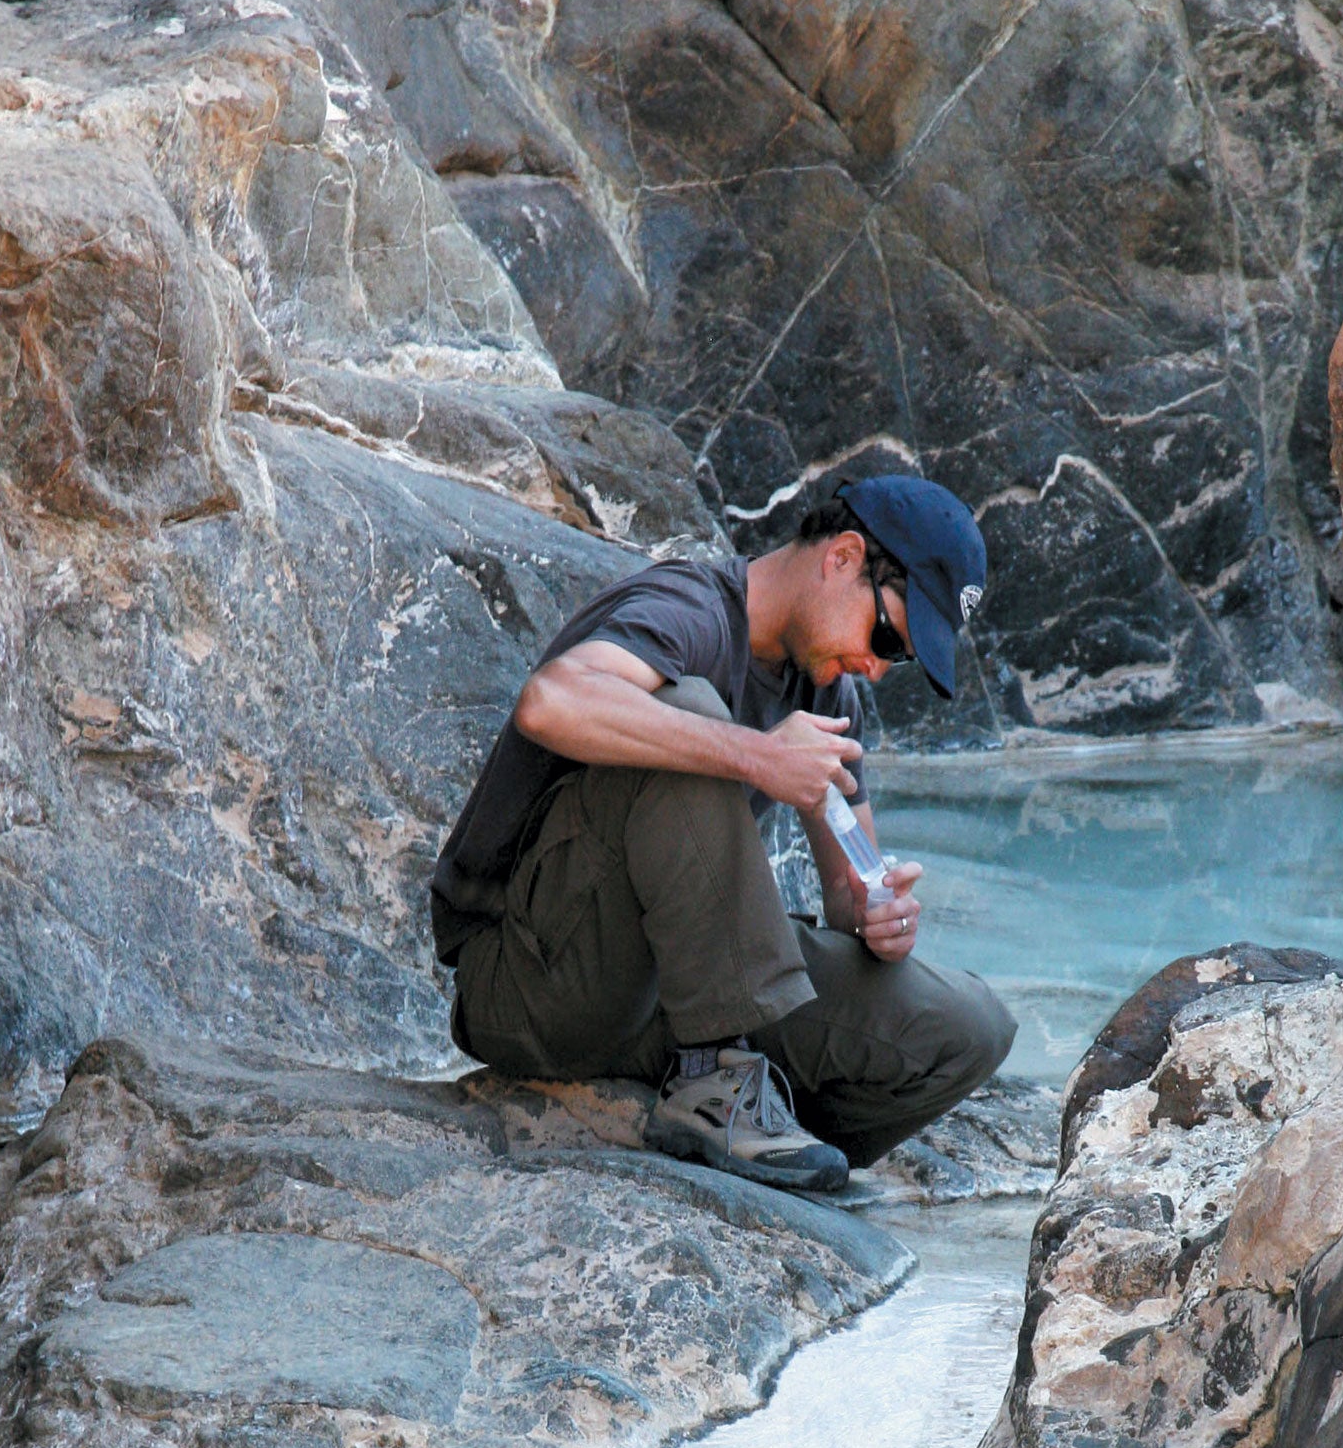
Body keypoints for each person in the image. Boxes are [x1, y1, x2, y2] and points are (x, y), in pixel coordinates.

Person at [431, 475, 1016, 1194]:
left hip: (667, 1002)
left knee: (970, 1028)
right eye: (888, 634)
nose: (875, 665)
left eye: (897, 657)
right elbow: (552, 700)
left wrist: (875, 911)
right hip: (533, 980)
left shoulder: (829, 693)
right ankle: (718, 1086)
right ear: (842, 557)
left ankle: (751, 1118)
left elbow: (846, 885)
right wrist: (754, 753)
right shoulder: (689, 610)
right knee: (688, 708)